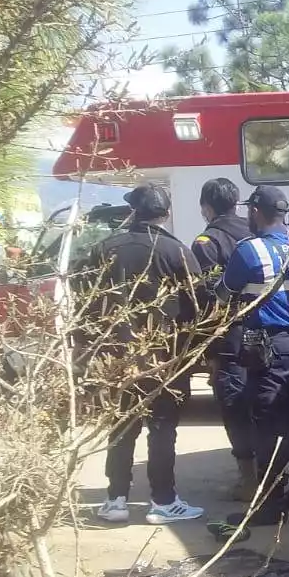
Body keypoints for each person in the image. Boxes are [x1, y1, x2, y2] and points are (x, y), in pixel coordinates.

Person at [92, 184, 205, 524]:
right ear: (166, 213)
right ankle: (163, 501)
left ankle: (115, 500)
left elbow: (86, 304)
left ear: (133, 212)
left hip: (115, 358)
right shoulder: (176, 251)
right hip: (163, 357)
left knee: (121, 425)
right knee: (161, 428)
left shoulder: (102, 249)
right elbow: (198, 306)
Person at [218, 185, 289, 524]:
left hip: (267, 346)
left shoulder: (249, 250)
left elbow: (224, 293)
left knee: (267, 423)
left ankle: (270, 506)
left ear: (256, 213)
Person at [191, 177, 256, 502]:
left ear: (206, 207)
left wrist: (208, 349)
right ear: (236, 202)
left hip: (230, 338)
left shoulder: (207, 242)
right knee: (269, 404)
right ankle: (278, 474)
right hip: (268, 333)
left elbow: (208, 298)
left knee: (235, 407)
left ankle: (249, 480)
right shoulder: (257, 231)